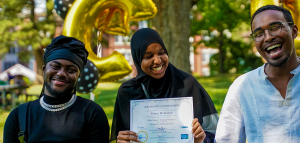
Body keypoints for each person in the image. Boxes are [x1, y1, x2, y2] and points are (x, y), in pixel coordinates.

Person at [110, 28, 218, 143]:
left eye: (161, 53)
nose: (157, 60)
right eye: (148, 56)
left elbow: (217, 133)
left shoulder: (187, 84)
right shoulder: (127, 91)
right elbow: (123, 136)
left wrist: (201, 140)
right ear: (137, 59)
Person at [215, 5, 300, 143]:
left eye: (274, 27)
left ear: (294, 31)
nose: (267, 38)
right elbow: (226, 140)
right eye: (258, 33)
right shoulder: (242, 87)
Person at [4, 35, 110, 143]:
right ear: (44, 69)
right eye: (55, 66)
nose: (61, 73)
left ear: (79, 76)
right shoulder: (19, 116)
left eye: (71, 70)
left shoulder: (92, 113)